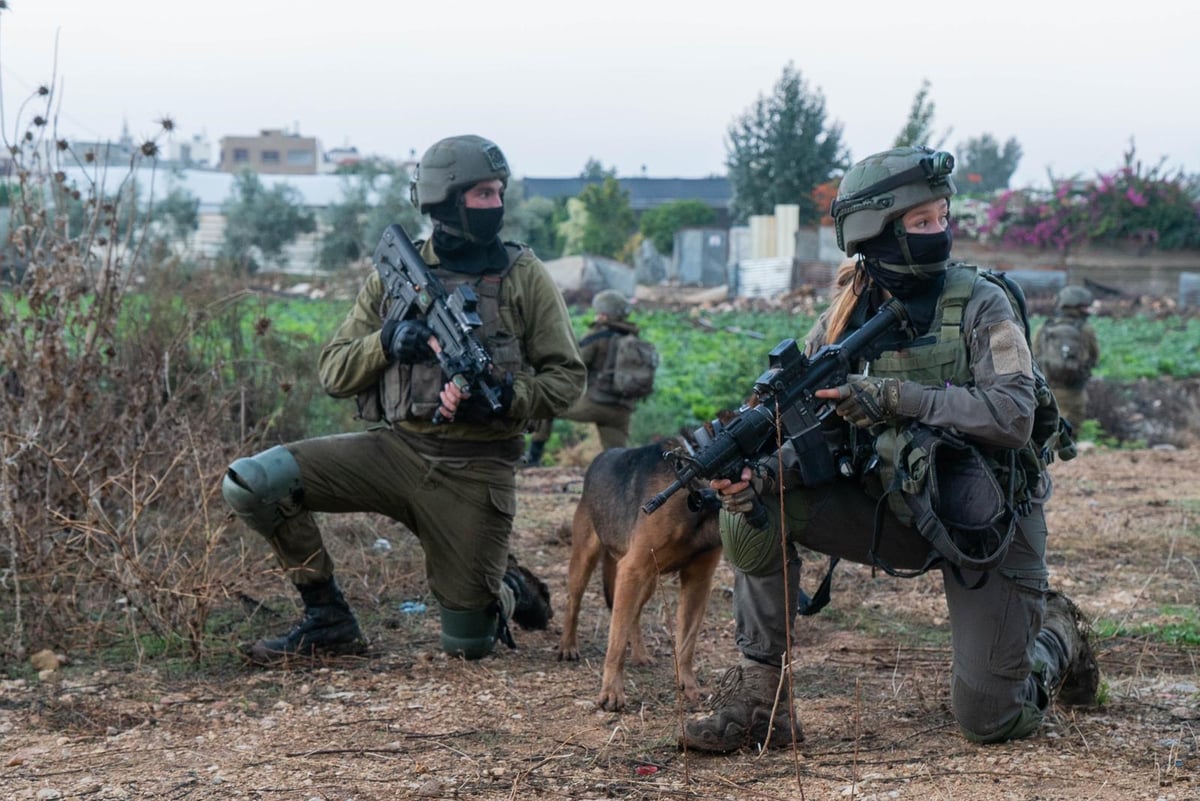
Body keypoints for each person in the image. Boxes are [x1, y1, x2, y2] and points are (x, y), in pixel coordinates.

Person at [680, 146, 1099, 752]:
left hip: (987, 516)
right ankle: (759, 704)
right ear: (875, 233)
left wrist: (895, 397)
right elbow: (813, 435)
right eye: (921, 222)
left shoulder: (983, 303)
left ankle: (1057, 633)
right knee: (748, 515)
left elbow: (1011, 416)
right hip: (896, 506)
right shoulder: (842, 320)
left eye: (942, 217)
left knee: (991, 720)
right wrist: (761, 475)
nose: (939, 233)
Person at [222, 134, 587, 664]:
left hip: (475, 472)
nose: (497, 204)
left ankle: (506, 589)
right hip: (393, 452)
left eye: (499, 192)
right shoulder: (397, 278)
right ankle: (327, 618)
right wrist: (386, 343)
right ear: (446, 200)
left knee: (468, 645)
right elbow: (333, 369)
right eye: (483, 193)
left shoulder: (523, 276)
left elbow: (569, 379)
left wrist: (510, 396)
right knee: (252, 483)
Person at [524, 289, 649, 465]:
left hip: (596, 404)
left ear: (604, 315)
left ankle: (533, 458)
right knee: (619, 458)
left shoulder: (597, 336)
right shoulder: (633, 339)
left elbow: (573, 365)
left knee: (546, 405)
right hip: (622, 410)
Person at [1033, 285, 1100, 427]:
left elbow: (1034, 357)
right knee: (1070, 434)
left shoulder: (1044, 328)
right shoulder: (1085, 329)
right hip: (1074, 390)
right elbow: (1094, 357)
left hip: (1046, 391)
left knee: (1047, 434)